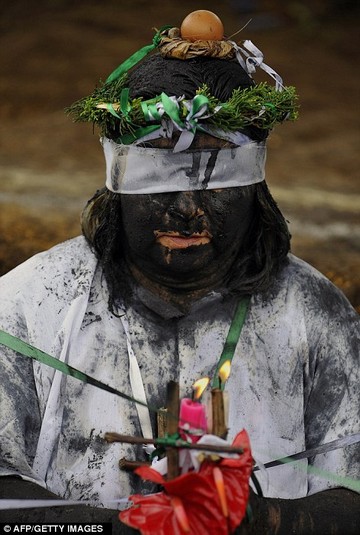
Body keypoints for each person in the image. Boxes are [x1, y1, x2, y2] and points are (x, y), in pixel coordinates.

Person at [0, 13, 359, 534]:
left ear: (255, 185)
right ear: (118, 182)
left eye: (217, 176)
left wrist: (272, 520)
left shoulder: (317, 314)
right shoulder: (27, 304)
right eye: (157, 176)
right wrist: (116, 529)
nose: (187, 208)